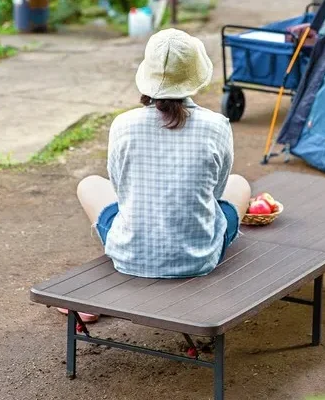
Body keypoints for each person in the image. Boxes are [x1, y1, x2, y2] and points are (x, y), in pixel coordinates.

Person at [58, 28, 251, 323]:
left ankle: (100, 288)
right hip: (199, 257)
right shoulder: (216, 125)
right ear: (194, 77)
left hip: (130, 256)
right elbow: (216, 192)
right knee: (239, 184)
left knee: (90, 185)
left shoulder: (123, 124)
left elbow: (122, 191)